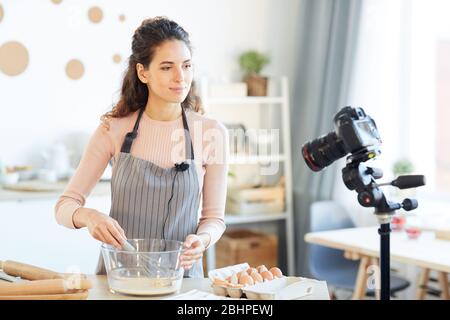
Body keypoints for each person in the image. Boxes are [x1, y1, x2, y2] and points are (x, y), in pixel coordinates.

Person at [54, 17, 229, 278]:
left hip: (182, 281)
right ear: (143, 72)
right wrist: (89, 216)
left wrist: (202, 240)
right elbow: (64, 206)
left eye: (187, 65)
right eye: (167, 67)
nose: (181, 77)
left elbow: (214, 219)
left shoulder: (211, 132)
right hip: (119, 279)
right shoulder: (112, 130)